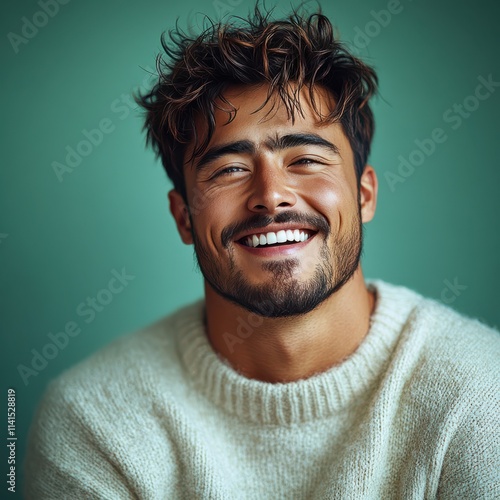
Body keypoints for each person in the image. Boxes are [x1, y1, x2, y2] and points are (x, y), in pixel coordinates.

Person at [25, 5, 499, 499]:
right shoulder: (92, 422)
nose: (271, 195)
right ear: (184, 217)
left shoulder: (480, 394)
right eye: (228, 169)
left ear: (364, 195)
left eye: (306, 159)